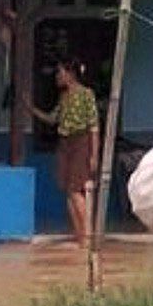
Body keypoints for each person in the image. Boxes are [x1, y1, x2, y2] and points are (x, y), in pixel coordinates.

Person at [31, 58, 100, 246]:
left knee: (76, 190)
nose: (57, 77)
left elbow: (94, 127)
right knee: (68, 191)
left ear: (70, 74)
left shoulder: (87, 94)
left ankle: (88, 236)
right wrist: (31, 109)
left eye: (60, 72)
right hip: (65, 144)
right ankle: (80, 237)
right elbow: (53, 118)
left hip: (81, 143)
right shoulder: (64, 97)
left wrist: (94, 154)